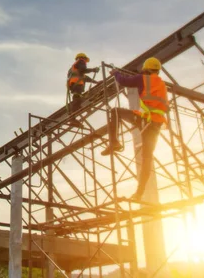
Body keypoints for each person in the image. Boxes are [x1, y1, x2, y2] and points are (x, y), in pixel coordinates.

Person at [101, 57, 168, 200]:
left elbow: (124, 82)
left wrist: (115, 73)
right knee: (147, 159)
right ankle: (139, 193)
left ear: (146, 69)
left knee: (115, 112)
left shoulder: (142, 78)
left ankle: (114, 142)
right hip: (155, 125)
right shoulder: (162, 84)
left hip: (144, 120)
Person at [67, 53, 100, 123]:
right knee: (77, 99)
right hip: (77, 84)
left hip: (73, 84)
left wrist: (96, 82)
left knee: (77, 98)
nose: (85, 61)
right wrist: (93, 70)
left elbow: (85, 77)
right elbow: (83, 70)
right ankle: (72, 118)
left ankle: (73, 116)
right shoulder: (81, 61)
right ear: (82, 57)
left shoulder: (74, 68)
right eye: (85, 59)